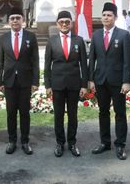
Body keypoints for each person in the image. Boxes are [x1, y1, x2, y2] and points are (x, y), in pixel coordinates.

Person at [88, 2, 130, 160]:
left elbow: (128, 60)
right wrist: (91, 79)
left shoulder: (123, 35)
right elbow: (91, 58)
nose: (106, 18)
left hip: (118, 81)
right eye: (104, 15)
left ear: (115, 17)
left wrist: (126, 81)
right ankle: (105, 142)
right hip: (100, 80)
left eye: (109, 15)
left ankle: (120, 145)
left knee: (120, 113)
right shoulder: (96, 35)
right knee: (103, 112)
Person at [44, 11, 88, 158]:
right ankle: (59, 143)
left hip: (74, 85)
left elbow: (84, 65)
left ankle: (72, 143)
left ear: (71, 23)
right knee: (58, 116)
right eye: (61, 22)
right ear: (57, 24)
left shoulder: (79, 40)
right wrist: (48, 85)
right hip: (57, 85)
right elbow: (47, 65)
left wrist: (84, 85)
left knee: (73, 116)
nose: (64, 24)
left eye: (67, 22)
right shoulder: (52, 41)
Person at [0, 7, 39, 155]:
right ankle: (12, 141)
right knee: (11, 113)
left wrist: (35, 82)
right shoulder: (3, 38)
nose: (15, 21)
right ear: (9, 21)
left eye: (17, 18)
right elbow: (0, 62)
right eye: (12, 18)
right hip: (9, 82)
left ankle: (25, 141)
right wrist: (0, 82)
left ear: (23, 20)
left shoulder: (30, 37)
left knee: (25, 113)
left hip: (25, 81)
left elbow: (35, 61)